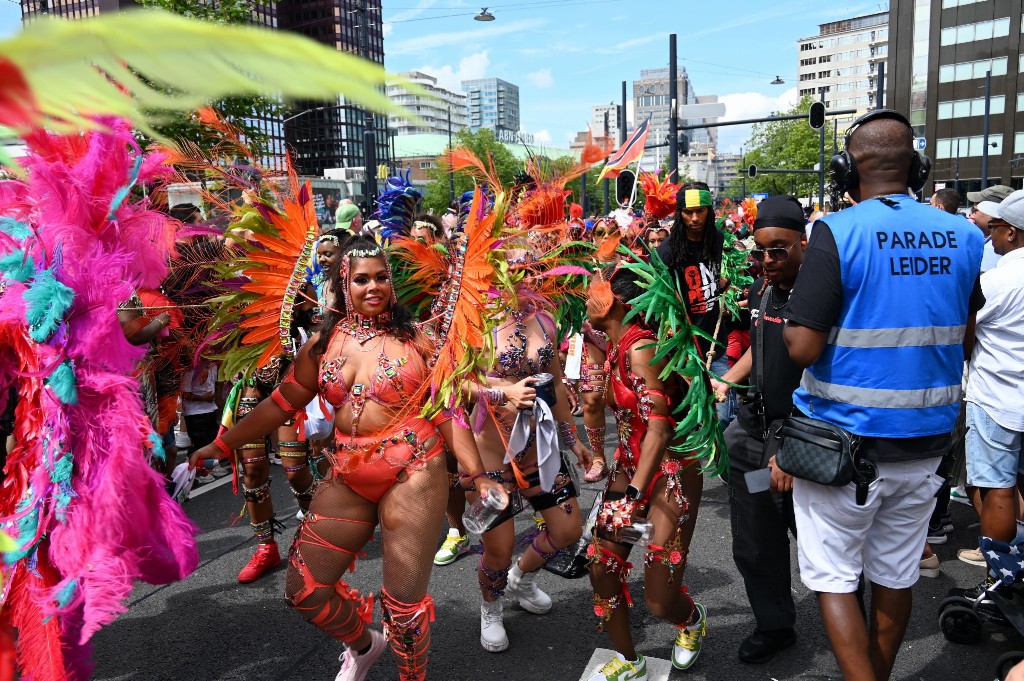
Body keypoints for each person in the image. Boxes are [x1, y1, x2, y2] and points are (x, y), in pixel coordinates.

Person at [190, 234, 504, 681]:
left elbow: (447, 406)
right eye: (361, 279)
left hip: (412, 468)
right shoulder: (321, 344)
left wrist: (476, 476)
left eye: (381, 277)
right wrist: (223, 444)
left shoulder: (420, 338)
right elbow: (282, 403)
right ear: (344, 282)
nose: (372, 287)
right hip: (347, 469)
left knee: (404, 609)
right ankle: (363, 645)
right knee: (304, 589)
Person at [783, 110, 984, 681]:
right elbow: (965, 333)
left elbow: (801, 346)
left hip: (841, 445)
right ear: (917, 168)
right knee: (897, 574)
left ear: (846, 169)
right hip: (926, 445)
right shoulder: (967, 235)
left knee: (834, 578)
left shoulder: (838, 231)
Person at [585, 266, 706, 680]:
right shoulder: (614, 345)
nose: (586, 298)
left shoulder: (641, 349)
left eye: (592, 291)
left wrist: (633, 498)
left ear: (615, 301)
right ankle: (629, 660)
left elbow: (660, 426)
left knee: (659, 599)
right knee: (602, 567)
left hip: (669, 477)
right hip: (631, 470)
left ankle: (691, 620)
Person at [711, 195, 807, 664]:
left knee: (819, 540)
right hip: (753, 440)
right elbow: (758, 346)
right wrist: (727, 380)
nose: (768, 260)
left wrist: (791, 446)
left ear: (804, 245)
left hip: (802, 443)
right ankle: (774, 624)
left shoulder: (821, 296)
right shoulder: (760, 290)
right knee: (755, 537)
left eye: (779, 250)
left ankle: (853, 623)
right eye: (761, 251)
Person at [471, 300, 592, 653]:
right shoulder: (472, 316)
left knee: (567, 529)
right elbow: (449, 387)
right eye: (516, 257)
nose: (526, 267)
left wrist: (573, 439)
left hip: (538, 445)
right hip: (488, 449)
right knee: (499, 547)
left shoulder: (544, 318)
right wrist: (502, 391)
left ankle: (521, 578)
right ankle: (490, 607)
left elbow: (551, 385)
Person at [961, 191, 1024, 547]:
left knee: (998, 488)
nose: (992, 235)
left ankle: (999, 580)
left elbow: (965, 342)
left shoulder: (996, 281)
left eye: (996, 227)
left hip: (997, 397)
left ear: (1012, 232)